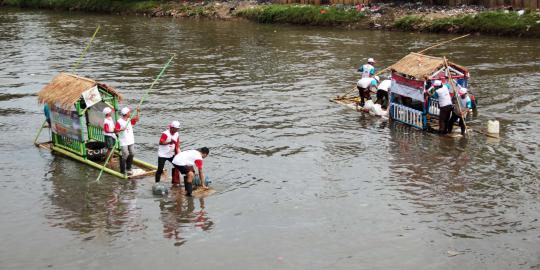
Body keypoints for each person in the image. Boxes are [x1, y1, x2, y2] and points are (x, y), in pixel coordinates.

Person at [115, 107, 140, 175]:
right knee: (125, 154)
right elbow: (115, 130)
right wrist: (121, 129)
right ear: (126, 114)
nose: (130, 113)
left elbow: (137, 119)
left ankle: (129, 168)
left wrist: (138, 112)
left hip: (130, 140)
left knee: (132, 153)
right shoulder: (119, 121)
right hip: (123, 141)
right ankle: (122, 170)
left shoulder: (129, 119)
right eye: (129, 112)